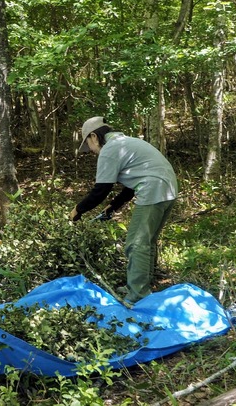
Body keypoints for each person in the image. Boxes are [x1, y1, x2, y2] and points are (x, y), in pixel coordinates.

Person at [70, 116, 178, 305]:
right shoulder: (125, 143)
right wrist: (113, 207)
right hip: (168, 188)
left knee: (136, 243)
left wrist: (77, 210)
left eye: (89, 145)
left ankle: (137, 295)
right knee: (148, 241)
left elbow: (101, 190)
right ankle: (141, 285)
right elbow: (130, 187)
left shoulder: (109, 150)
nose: (92, 152)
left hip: (154, 188)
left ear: (94, 137)